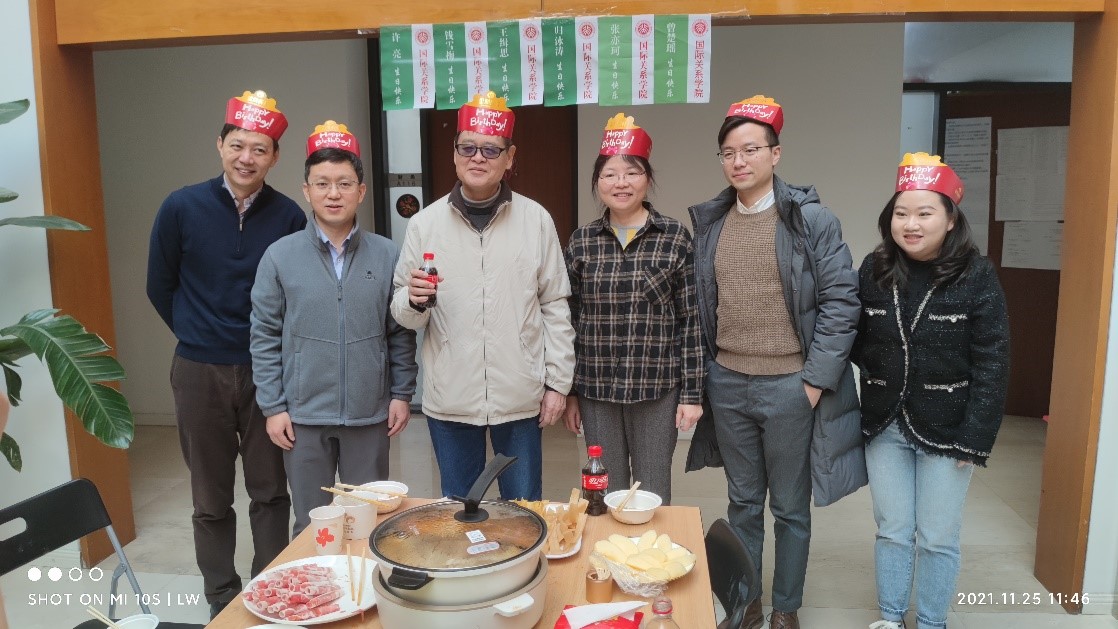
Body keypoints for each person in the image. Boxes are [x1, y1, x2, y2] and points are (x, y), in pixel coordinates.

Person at [685, 95, 865, 629]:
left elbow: (841, 302)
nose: (739, 161)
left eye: (751, 150)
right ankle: (746, 605)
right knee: (742, 503)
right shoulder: (713, 222)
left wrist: (814, 382)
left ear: (775, 154)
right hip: (728, 382)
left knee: (789, 508)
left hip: (790, 384)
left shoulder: (811, 220)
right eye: (728, 152)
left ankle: (786, 608)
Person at [146, 90, 305, 619]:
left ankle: (269, 590)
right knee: (209, 497)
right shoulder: (181, 206)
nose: (246, 157)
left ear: (274, 157)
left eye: (260, 149)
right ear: (220, 146)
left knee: (270, 490)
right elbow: (159, 284)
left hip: (267, 373)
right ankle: (221, 596)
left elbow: (294, 295)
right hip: (198, 370)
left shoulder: (288, 216)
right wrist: (197, 334)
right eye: (237, 145)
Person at [390, 91, 575, 501]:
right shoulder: (424, 224)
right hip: (450, 398)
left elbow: (554, 305)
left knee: (523, 508)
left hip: (520, 396)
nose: (478, 158)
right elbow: (402, 310)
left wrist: (558, 383)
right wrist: (414, 300)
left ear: (510, 158)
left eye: (491, 149)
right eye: (468, 148)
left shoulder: (536, 220)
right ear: (454, 154)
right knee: (459, 510)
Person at [855, 153, 1010, 629]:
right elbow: (856, 339)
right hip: (885, 424)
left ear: (950, 218)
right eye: (901, 213)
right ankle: (890, 617)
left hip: (950, 427)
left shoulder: (976, 274)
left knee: (938, 536)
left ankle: (931, 621)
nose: (911, 224)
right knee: (893, 529)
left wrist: (975, 437)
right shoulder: (875, 267)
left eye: (925, 213)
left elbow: (993, 360)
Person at [250, 121, 417, 536]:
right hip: (303, 416)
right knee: (312, 524)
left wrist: (401, 394)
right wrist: (273, 407)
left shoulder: (387, 254)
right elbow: (264, 335)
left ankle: (363, 579)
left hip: (368, 413)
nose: (333, 193)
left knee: (369, 519)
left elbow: (400, 331)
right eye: (322, 184)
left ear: (361, 191)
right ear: (306, 191)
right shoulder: (279, 256)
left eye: (344, 183)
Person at [562, 113, 702, 505]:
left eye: (632, 173)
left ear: (647, 179)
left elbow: (690, 321)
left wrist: (692, 394)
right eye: (609, 174)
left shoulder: (674, 238)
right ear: (597, 182)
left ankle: (651, 549)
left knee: (652, 493)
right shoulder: (582, 242)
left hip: (657, 389)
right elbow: (569, 321)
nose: (620, 183)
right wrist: (570, 392)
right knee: (603, 491)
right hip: (596, 390)